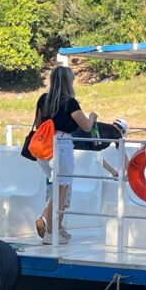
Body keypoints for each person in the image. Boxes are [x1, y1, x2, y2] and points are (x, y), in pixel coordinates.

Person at [33, 65, 97, 244]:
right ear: (69, 81)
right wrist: (92, 116)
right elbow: (86, 126)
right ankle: (45, 220)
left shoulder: (43, 99)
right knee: (62, 187)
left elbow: (38, 125)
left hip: (43, 149)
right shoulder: (70, 102)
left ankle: (53, 233)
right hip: (61, 146)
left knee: (59, 187)